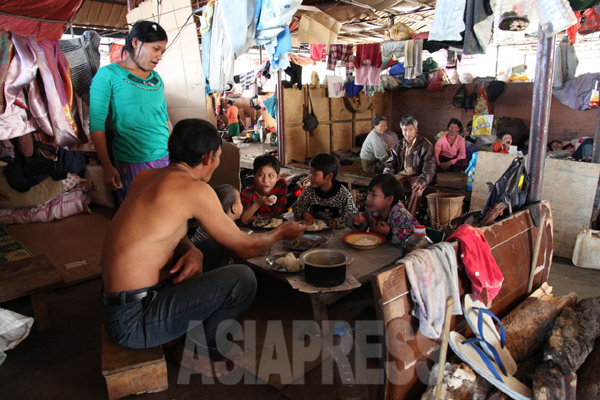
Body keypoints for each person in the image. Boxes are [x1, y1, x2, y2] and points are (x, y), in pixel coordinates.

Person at [101, 119, 305, 377]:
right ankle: (197, 352)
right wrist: (281, 232)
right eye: (218, 156)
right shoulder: (195, 190)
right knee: (242, 278)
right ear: (208, 156)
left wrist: (190, 248)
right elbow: (245, 247)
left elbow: (160, 231)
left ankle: (180, 330)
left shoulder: (146, 177)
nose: (217, 161)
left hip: (122, 303)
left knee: (215, 248)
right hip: (133, 320)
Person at [90, 21, 172, 203]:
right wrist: (107, 165)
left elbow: (165, 118)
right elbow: (96, 123)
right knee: (138, 217)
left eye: (162, 52)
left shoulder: (156, 78)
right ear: (136, 43)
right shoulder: (108, 75)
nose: (159, 56)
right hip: (133, 161)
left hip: (166, 158)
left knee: (165, 214)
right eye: (155, 49)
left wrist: (175, 155)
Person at [383, 116, 436, 219]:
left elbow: (430, 167)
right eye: (405, 130)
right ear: (402, 131)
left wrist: (422, 180)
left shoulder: (426, 145)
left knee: (418, 189)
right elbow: (391, 163)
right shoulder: (398, 146)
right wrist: (386, 176)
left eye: (411, 129)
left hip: (418, 175)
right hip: (402, 174)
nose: (408, 133)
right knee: (387, 184)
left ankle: (409, 219)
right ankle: (389, 216)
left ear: (416, 129)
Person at [292, 153, 358, 229]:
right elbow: (297, 207)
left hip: (336, 234)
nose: (310, 177)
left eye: (315, 174)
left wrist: (337, 222)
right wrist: (304, 213)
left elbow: (351, 215)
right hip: (313, 233)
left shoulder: (344, 194)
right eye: (310, 172)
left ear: (329, 176)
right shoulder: (309, 191)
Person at [348, 174, 418, 245]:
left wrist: (390, 232)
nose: (368, 198)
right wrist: (359, 223)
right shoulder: (373, 211)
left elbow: (417, 238)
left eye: (374, 195)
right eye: (369, 193)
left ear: (389, 200)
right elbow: (362, 223)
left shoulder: (402, 216)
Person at [240, 155, 287, 224]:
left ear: (277, 177)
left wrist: (255, 217)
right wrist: (257, 204)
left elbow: (277, 214)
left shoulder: (280, 186)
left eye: (271, 175)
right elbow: (242, 220)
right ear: (255, 176)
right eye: (261, 175)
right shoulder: (246, 194)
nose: (265, 180)